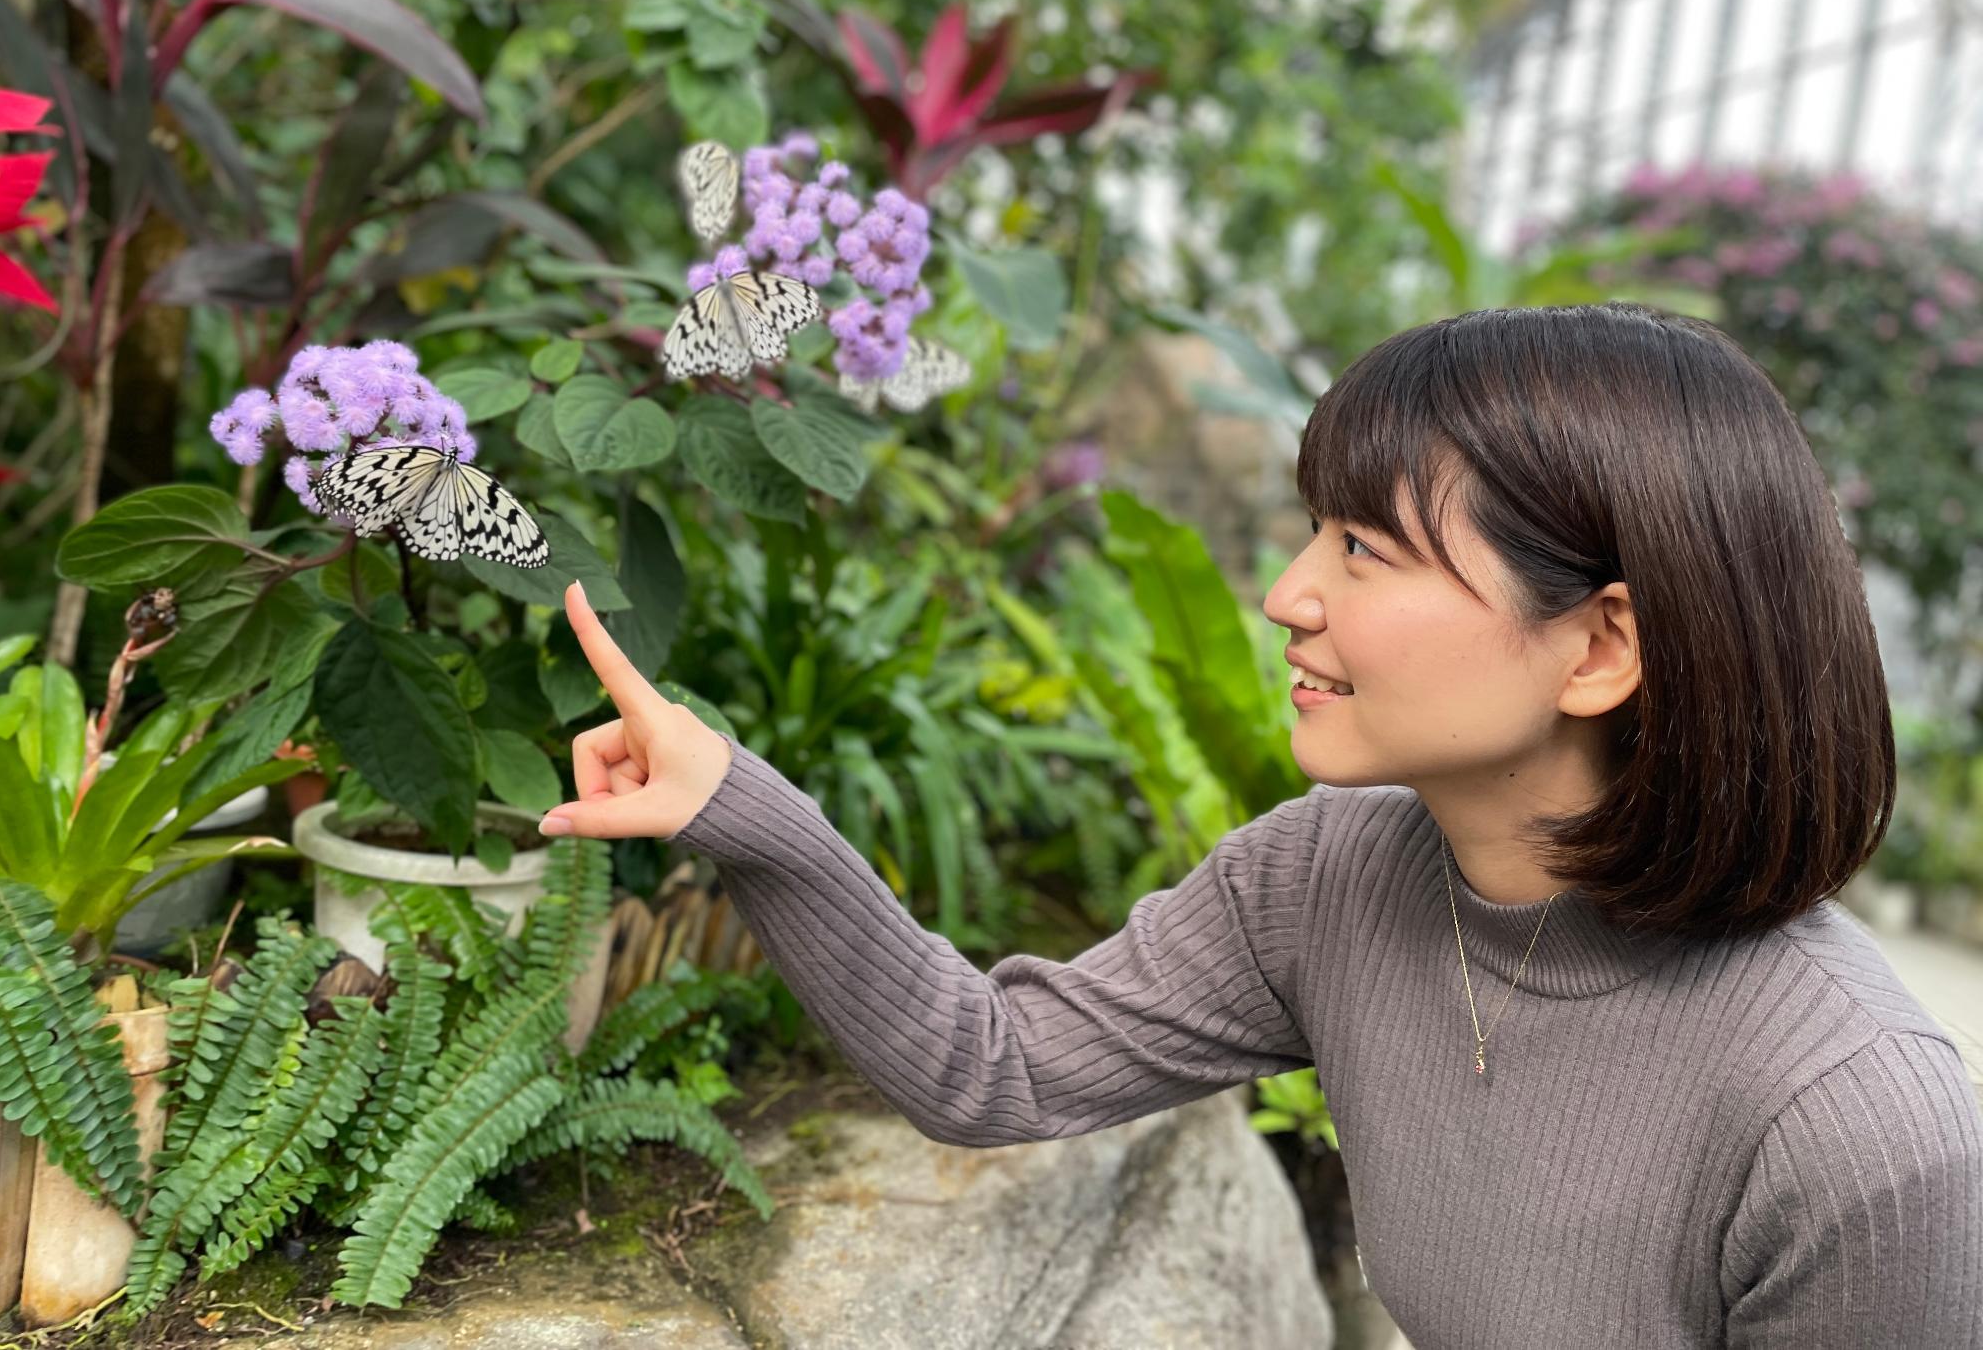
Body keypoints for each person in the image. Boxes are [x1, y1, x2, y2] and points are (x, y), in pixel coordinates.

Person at [539, 302, 1983, 1347]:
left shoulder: (1855, 1127)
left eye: (1363, 547)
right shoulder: (1331, 876)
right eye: (1313, 530)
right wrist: (741, 807)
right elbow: (992, 1068)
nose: (1291, 594)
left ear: (1602, 646)